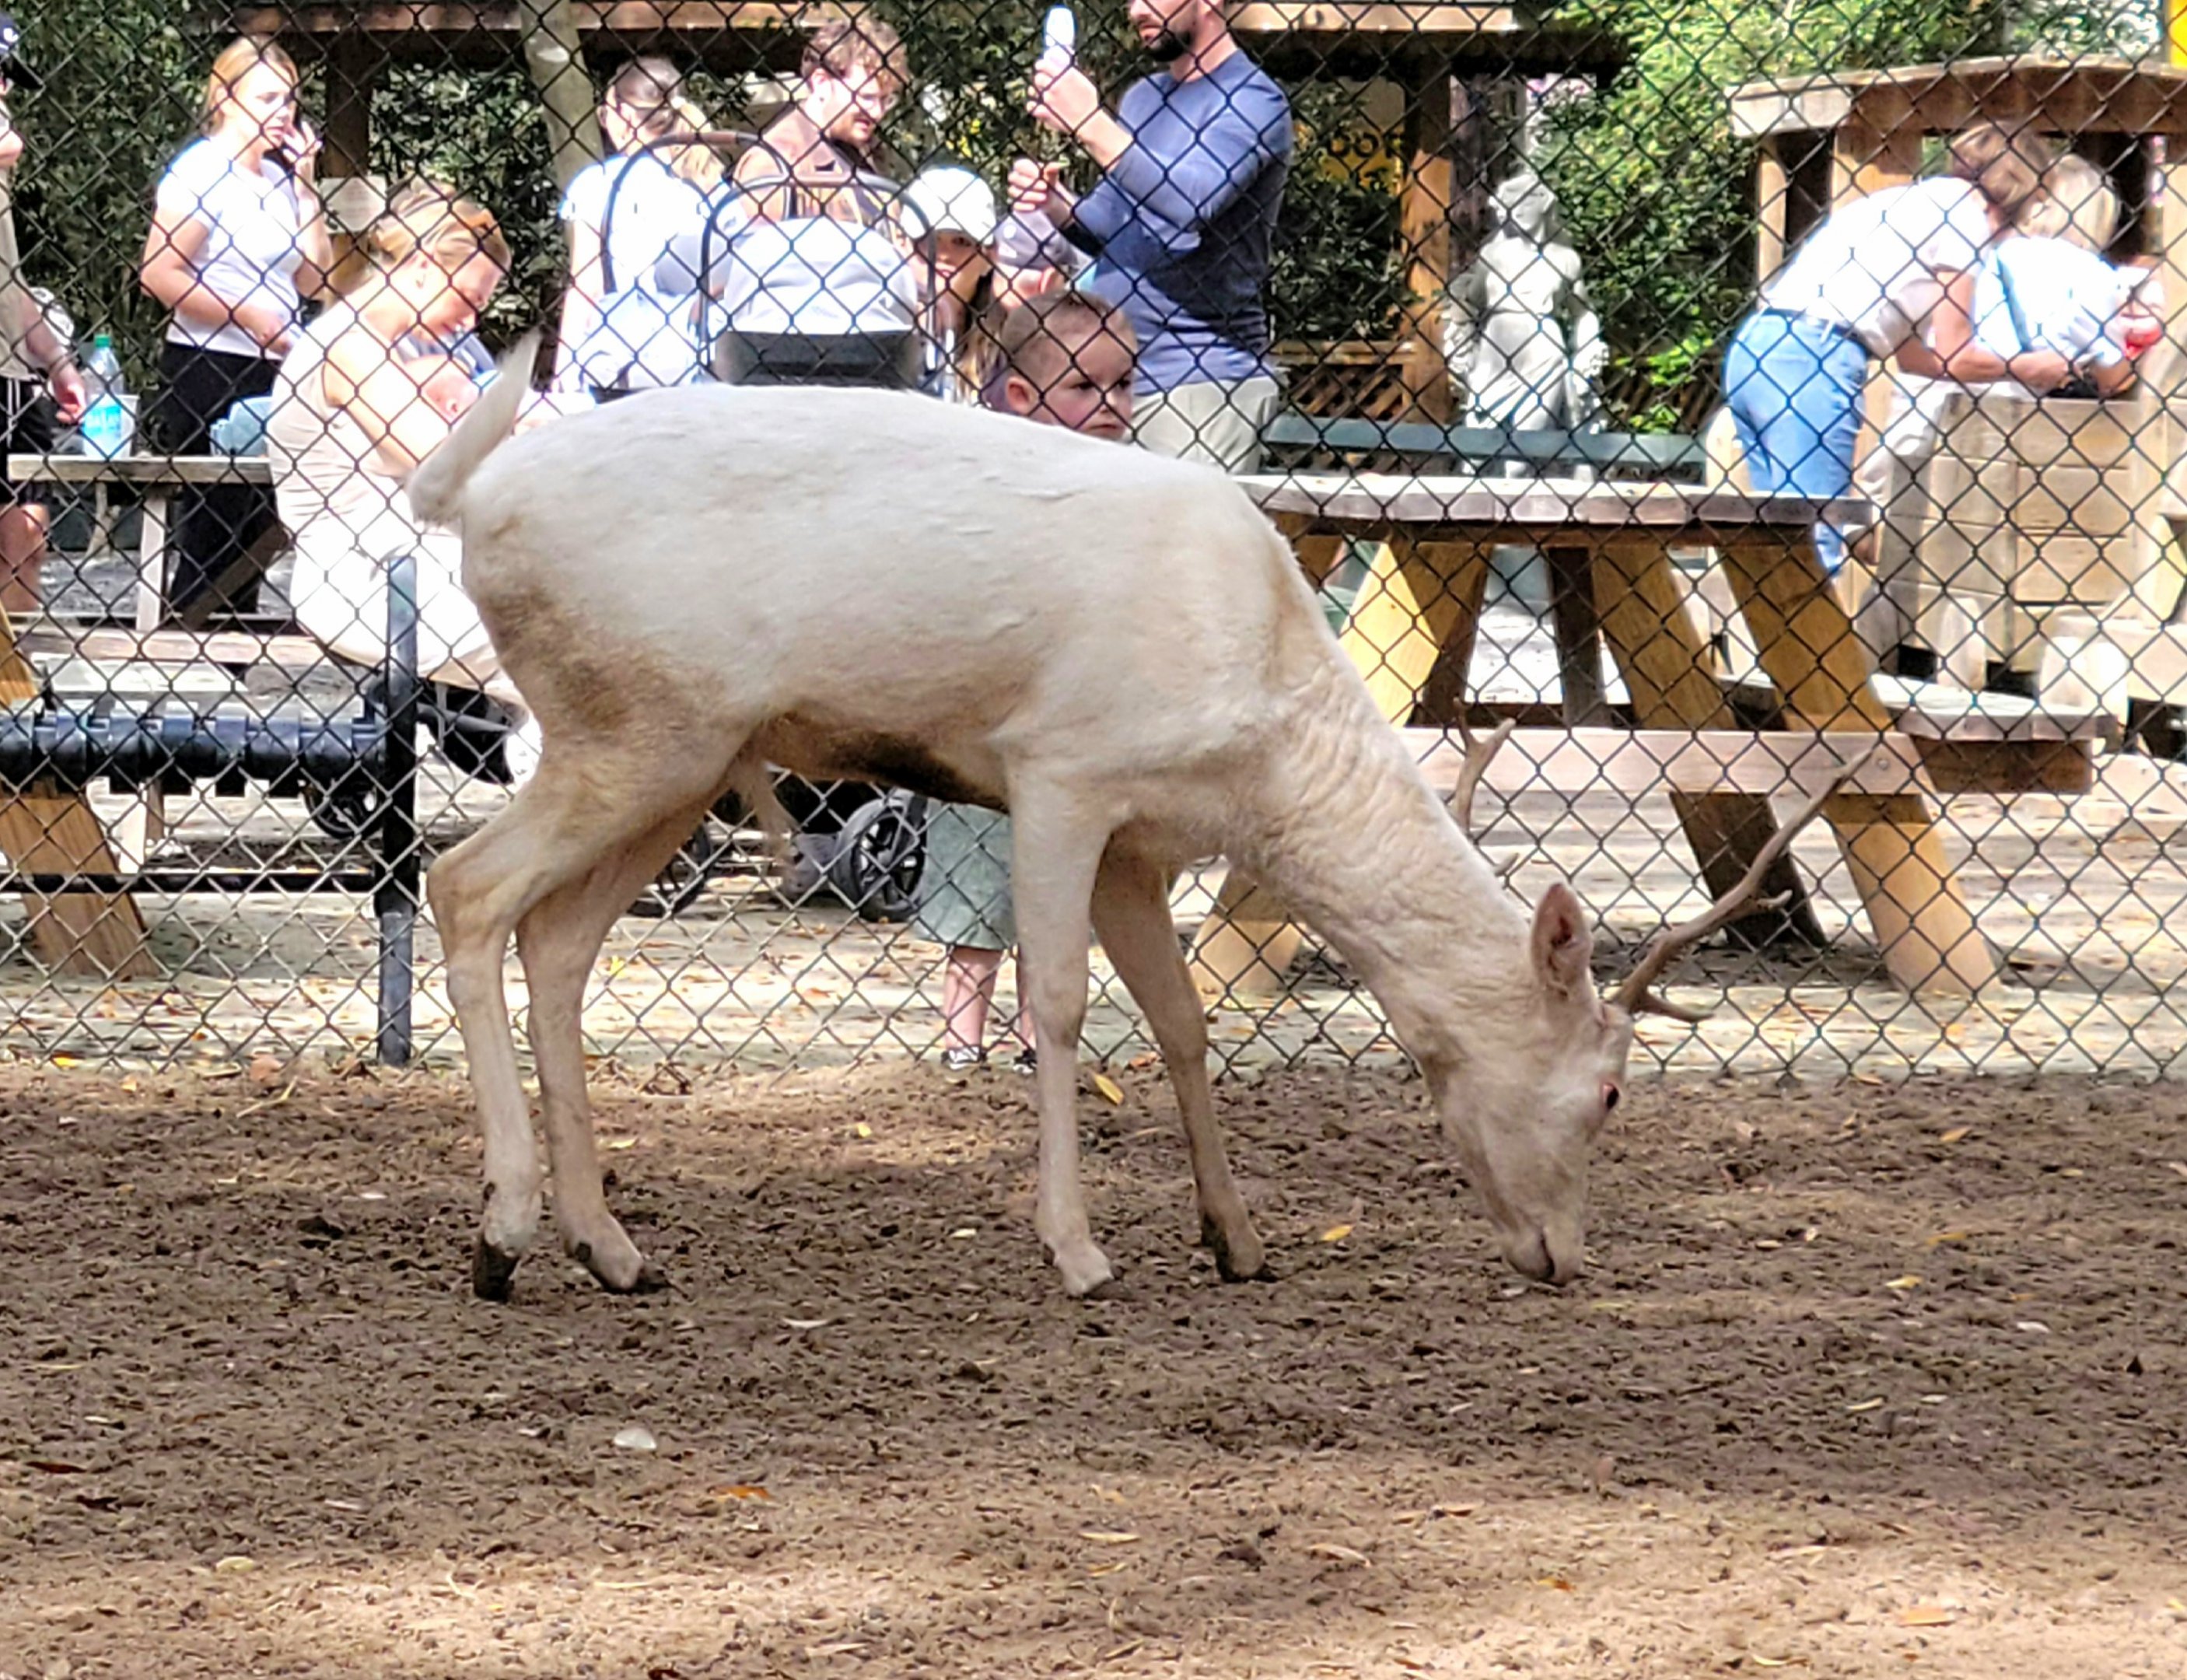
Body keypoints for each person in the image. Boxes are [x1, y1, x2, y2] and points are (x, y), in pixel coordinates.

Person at [915, 289, 1139, 1073]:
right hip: (980, 726)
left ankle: (1042, 1043)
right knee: (974, 888)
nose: (1110, 403)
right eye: (1083, 386)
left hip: (1077, 734)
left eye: (1123, 384)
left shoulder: (1131, 485)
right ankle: (961, 1045)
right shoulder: (994, 478)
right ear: (1021, 395)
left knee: (1061, 893)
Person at [265, 180, 540, 770]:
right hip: (362, 574)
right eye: (467, 297)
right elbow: (445, 460)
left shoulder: (438, 342)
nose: (472, 316)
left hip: (437, 554)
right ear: (421, 268)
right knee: (570, 654)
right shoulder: (348, 347)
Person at [1720, 121, 2057, 574]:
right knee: (1817, 542)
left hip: (1759, 346)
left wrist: (1999, 366)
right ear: (2018, 193)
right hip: (1816, 356)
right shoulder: (1966, 218)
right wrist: (2031, 367)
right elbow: (1956, 354)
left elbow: (1916, 358)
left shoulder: (1903, 204)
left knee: (1777, 543)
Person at [1008, 0, 1291, 471]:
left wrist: (1090, 123)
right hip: (1114, 382)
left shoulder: (1254, 99)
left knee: (1184, 523)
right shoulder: (1144, 98)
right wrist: (1054, 202)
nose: (1135, 9)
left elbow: (1191, 203)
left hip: (1201, 381)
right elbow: (1109, 226)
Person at [140, 34, 333, 617]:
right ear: (225, 98)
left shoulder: (277, 179)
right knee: (215, 522)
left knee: (262, 520)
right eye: (268, 98)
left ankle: (232, 636)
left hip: (279, 364)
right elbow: (159, 273)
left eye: (290, 99)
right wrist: (245, 315)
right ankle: (190, 633)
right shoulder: (201, 171)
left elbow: (315, 281)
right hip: (209, 363)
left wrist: (306, 186)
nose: (285, 112)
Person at [553, 56, 713, 397]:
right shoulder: (704, 182)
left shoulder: (599, 183)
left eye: (605, 112)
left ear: (625, 115)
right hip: (695, 355)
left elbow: (587, 284)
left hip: (622, 356)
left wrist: (565, 371)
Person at [0, 23, 86, 617]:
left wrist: (56, 361)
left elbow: (12, 279)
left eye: (6, 76)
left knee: (26, 539)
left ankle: (12, 670)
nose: (3, 89)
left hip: (11, 376)